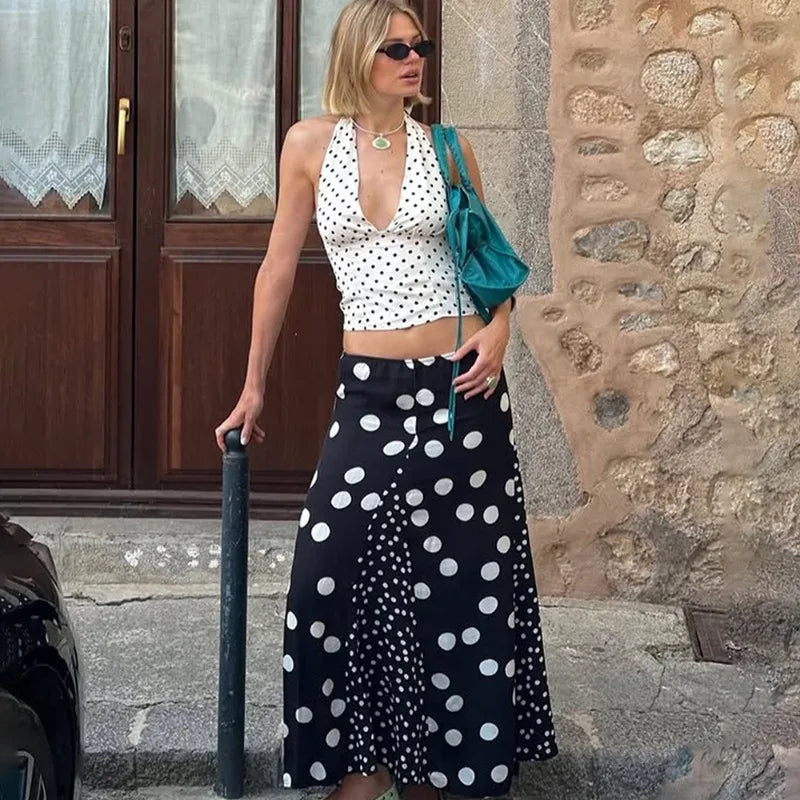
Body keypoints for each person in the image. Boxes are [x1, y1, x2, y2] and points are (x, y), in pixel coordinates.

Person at [214, 1, 558, 798]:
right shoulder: (309, 144)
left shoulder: (448, 146)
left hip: (460, 395)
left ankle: (442, 772)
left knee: (457, 593)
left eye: (420, 45)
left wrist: (501, 328)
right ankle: (359, 769)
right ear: (359, 56)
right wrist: (254, 384)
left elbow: (488, 258)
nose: (414, 59)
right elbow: (276, 272)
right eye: (396, 47)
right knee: (325, 580)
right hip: (367, 394)